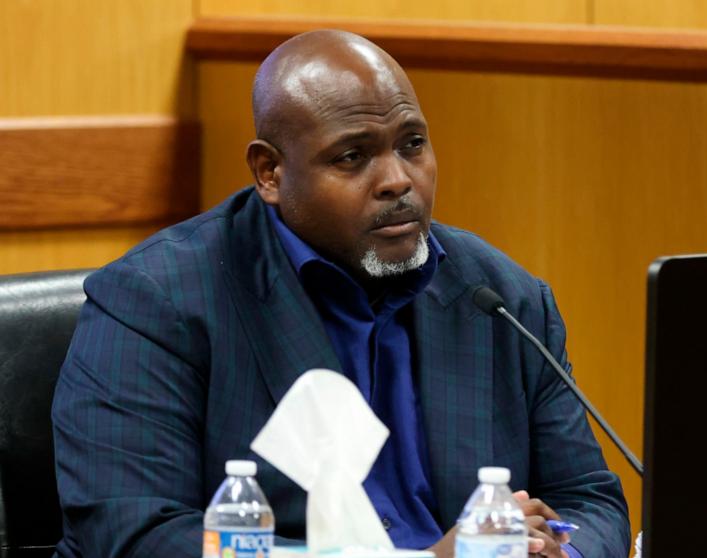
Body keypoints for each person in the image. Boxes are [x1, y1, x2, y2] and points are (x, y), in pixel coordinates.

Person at [51, 29, 629, 558]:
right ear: (270, 173)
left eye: (412, 144)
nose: (398, 180)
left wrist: (560, 552)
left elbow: (590, 500)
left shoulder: (502, 297)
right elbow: (133, 537)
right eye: (353, 156)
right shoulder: (157, 301)